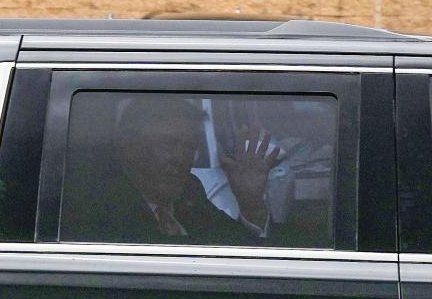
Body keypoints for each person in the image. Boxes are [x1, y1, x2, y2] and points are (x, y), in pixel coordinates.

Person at [60, 96, 281, 246]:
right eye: (168, 144)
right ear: (128, 145)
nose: (181, 158)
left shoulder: (189, 191)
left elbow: (234, 252)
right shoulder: (98, 209)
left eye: (189, 147)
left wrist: (250, 203)